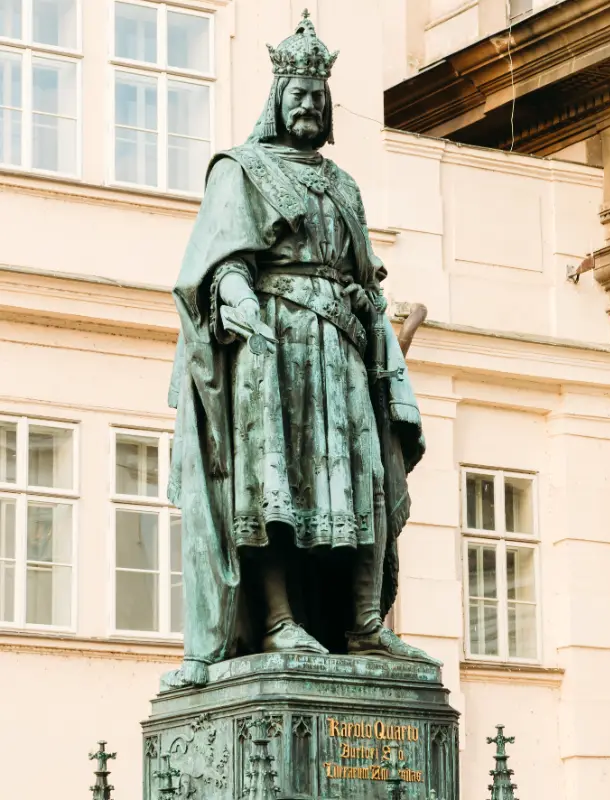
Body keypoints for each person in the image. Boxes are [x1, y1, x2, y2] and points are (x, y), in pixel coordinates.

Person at [164, 10, 430, 688]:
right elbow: (219, 261)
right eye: (299, 95)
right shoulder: (243, 170)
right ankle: (279, 618)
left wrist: (374, 317)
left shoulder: (344, 186)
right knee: (272, 484)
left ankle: (364, 623)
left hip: (342, 351)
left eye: (319, 96)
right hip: (272, 349)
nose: (310, 104)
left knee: (362, 478)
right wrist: (238, 297)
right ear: (278, 101)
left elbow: (363, 271)